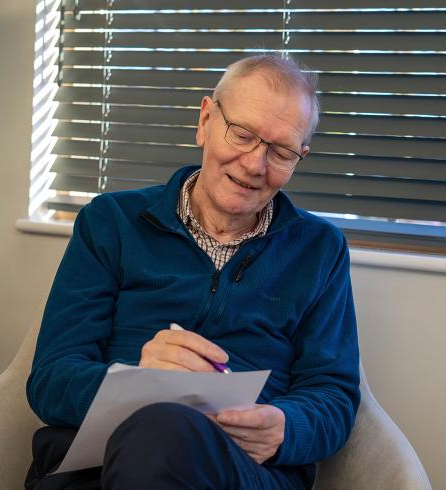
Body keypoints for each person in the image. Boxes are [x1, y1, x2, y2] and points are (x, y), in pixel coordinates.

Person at [25, 54, 360, 490]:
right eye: (242, 134)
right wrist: (137, 385)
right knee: (158, 433)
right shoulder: (111, 223)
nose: (254, 165)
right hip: (97, 463)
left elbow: (333, 393)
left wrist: (286, 425)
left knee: (166, 436)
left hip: (242, 472)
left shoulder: (320, 250)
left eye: (280, 152)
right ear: (205, 120)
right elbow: (50, 380)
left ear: (300, 157)